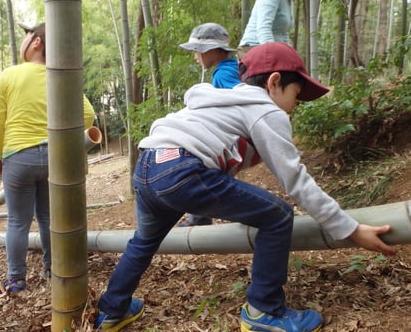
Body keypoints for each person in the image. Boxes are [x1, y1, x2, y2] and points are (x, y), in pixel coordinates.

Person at [94, 42, 396, 332]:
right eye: (296, 94)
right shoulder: (267, 110)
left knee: (144, 241)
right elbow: (297, 182)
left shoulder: (219, 103)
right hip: (182, 171)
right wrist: (350, 228)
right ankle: (265, 310)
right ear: (274, 82)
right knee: (278, 215)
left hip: (148, 166)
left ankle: (112, 311)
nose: (296, 106)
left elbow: (212, 154)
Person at [0, 22, 95, 294]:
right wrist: (63, 137)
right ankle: (52, 269)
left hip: (18, 157)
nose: (23, 42)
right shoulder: (62, 75)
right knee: (48, 217)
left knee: (17, 221)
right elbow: (88, 114)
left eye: (27, 36)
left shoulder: (10, 75)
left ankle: (16, 279)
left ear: (37, 42)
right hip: (54, 157)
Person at [178, 22, 240, 227]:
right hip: (228, 135)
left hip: (230, 136)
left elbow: (241, 99)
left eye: (197, 51)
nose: (195, 56)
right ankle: (201, 216)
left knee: (200, 169)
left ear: (211, 50)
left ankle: (201, 218)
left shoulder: (224, 74)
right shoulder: (230, 68)